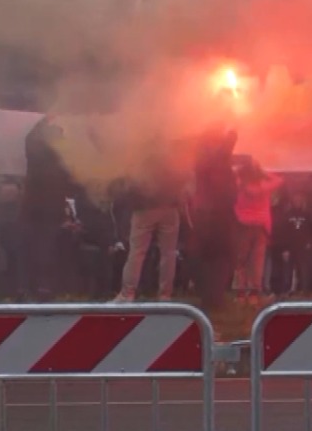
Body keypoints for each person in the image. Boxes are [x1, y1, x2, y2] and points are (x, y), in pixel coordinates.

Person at [114, 142, 186, 303]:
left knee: (137, 252)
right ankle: (165, 295)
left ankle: (127, 294)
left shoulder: (139, 156)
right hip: (169, 207)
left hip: (144, 208)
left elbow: (129, 182)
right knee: (168, 253)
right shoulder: (171, 155)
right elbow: (182, 177)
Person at [22, 115, 81, 300]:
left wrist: (43, 121)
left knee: (37, 247)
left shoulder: (37, 154)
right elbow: (72, 184)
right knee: (48, 248)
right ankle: (47, 287)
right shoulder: (60, 159)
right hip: (51, 209)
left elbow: (29, 138)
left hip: (35, 208)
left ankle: (36, 287)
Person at [193, 126, 239, 311]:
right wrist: (232, 131)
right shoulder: (214, 160)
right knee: (222, 257)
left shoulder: (199, 159)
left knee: (208, 258)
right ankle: (215, 298)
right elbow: (224, 151)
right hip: (218, 215)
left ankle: (208, 297)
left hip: (205, 215)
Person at [232, 156, 281, 303]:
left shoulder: (239, 185)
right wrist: (263, 172)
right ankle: (254, 294)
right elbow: (279, 180)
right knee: (257, 261)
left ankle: (240, 293)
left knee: (241, 261)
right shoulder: (263, 186)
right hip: (260, 227)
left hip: (242, 225)